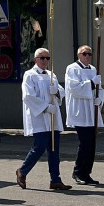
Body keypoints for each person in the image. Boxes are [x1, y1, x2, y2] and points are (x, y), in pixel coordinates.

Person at [15, 47, 69, 191]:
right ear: (36, 59)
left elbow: (61, 92)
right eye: (42, 58)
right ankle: (22, 171)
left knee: (54, 149)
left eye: (47, 58)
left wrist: (56, 92)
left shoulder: (52, 74)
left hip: (53, 117)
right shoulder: (30, 75)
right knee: (39, 147)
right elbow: (28, 96)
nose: (45, 61)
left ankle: (55, 179)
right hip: (39, 116)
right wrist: (45, 107)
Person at [65, 44, 104, 185]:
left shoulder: (93, 69)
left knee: (92, 143)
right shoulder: (72, 68)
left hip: (91, 110)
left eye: (89, 54)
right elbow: (74, 88)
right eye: (84, 53)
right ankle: (78, 172)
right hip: (80, 110)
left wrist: (100, 98)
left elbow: (100, 88)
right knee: (85, 142)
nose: (87, 56)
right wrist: (92, 84)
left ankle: (86, 172)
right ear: (79, 55)